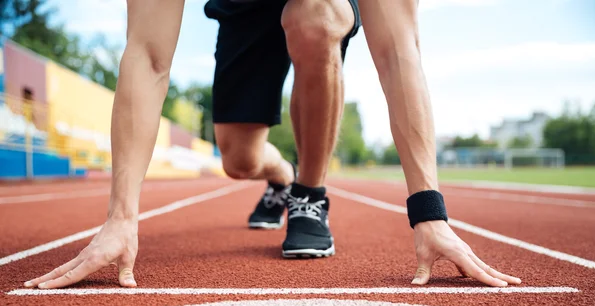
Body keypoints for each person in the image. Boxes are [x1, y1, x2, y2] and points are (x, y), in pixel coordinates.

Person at [24, 0, 520, 290]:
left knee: (317, 17)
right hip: (245, 6)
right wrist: (121, 217)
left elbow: (398, 52)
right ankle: (281, 174)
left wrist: (428, 212)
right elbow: (148, 55)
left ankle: (308, 194)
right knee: (237, 160)